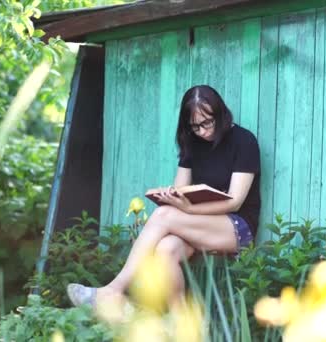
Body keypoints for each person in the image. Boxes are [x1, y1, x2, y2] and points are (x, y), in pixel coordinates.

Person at [67, 84, 261, 310]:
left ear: (220, 114)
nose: (203, 131)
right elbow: (181, 191)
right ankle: (181, 324)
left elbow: (235, 201)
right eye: (195, 126)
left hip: (236, 227)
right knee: (165, 249)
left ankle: (113, 290)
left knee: (163, 215)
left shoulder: (244, 141)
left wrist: (187, 210)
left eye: (207, 123)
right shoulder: (193, 143)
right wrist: (172, 196)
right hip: (199, 225)